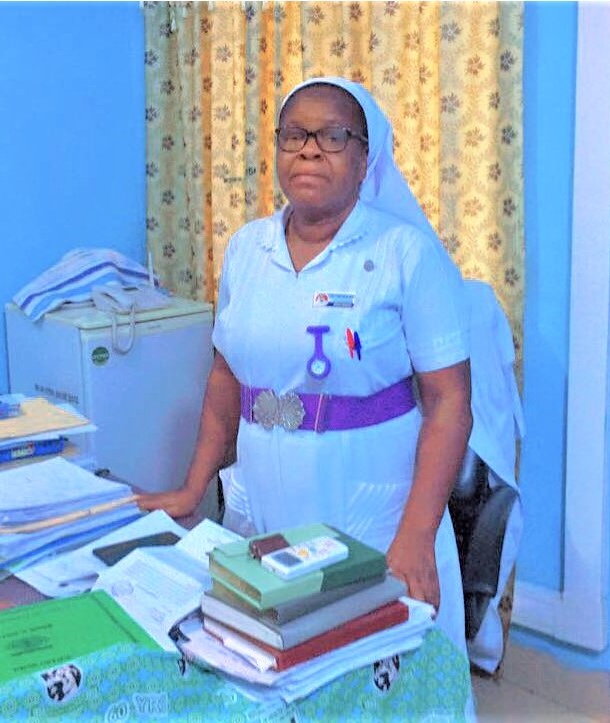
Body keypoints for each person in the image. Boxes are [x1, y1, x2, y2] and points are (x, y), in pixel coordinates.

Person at [138, 76, 472, 653]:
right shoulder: (247, 248)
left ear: (366, 159)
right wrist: (193, 488)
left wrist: (418, 536)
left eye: (333, 136)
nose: (309, 150)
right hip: (262, 494)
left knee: (369, 664)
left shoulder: (405, 254)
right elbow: (226, 376)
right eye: (294, 135)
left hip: (371, 505)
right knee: (265, 654)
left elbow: (450, 403)